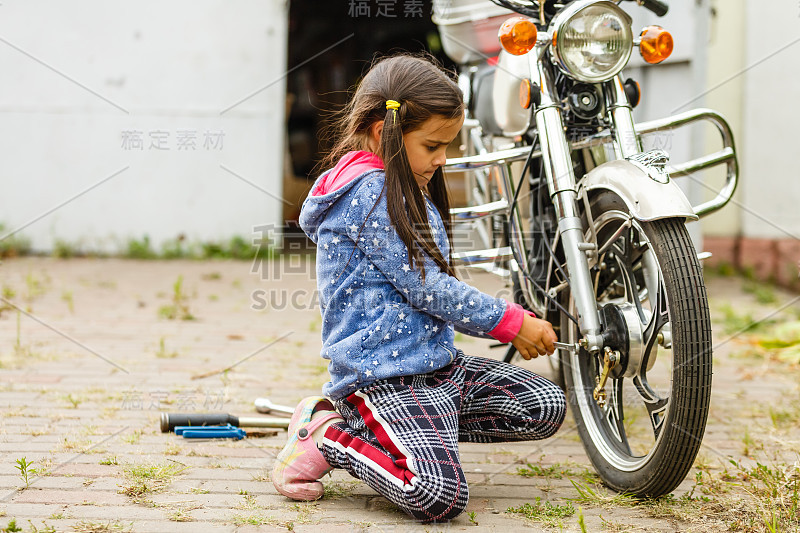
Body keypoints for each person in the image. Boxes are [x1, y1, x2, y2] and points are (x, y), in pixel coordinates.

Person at [272, 54, 566, 522]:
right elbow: (429, 287)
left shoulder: (401, 183)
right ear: (379, 130)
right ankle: (331, 434)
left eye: (447, 145)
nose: (442, 158)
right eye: (432, 145)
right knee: (436, 494)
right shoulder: (369, 193)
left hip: (437, 370)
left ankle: (419, 433)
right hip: (383, 380)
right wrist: (510, 322)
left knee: (544, 405)